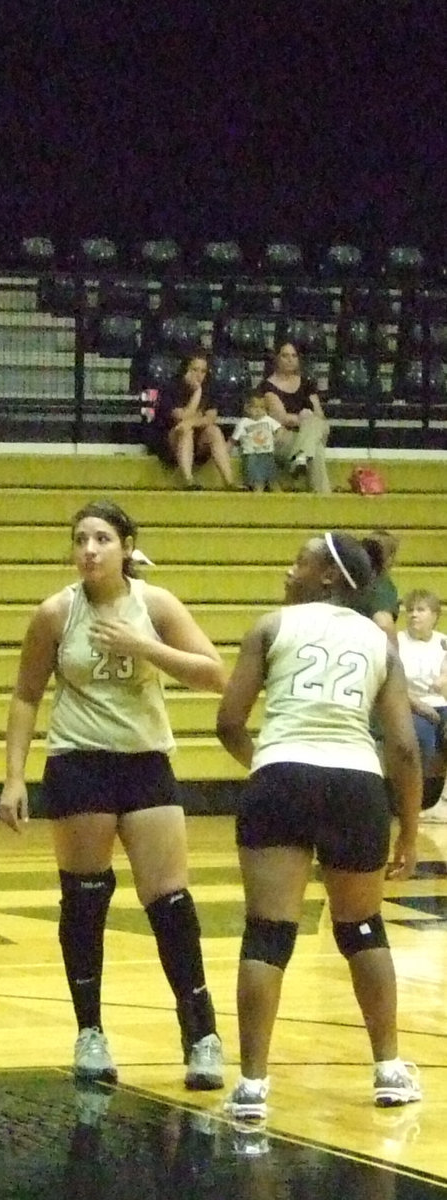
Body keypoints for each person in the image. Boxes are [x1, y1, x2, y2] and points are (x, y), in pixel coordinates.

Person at [0, 499, 228, 1091]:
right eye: (80, 539)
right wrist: (14, 776)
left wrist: (144, 646)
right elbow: (25, 696)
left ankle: (201, 1034)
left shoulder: (156, 604)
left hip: (145, 761)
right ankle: (90, 1032)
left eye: (101, 538)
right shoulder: (56, 613)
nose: (89, 549)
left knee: (170, 900)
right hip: (79, 763)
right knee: (84, 899)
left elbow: (214, 674)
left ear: (126, 546)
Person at [215, 531, 423, 1122]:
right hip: (355, 784)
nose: (289, 570)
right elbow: (404, 748)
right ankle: (388, 1071)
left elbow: (228, 722)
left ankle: (252, 1086)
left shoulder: (270, 626)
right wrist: (410, 832)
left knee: (267, 934)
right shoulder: (380, 642)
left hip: (280, 776)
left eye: (300, 562)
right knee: (362, 929)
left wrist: (268, 762)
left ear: (329, 576)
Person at [146, 352, 238, 490]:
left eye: (203, 371)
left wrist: (191, 423)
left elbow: (210, 418)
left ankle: (229, 482)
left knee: (214, 431)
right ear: (185, 370)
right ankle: (188, 481)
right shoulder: (171, 388)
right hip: (170, 442)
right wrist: (197, 393)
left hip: (197, 442)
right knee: (186, 431)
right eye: (195, 370)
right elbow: (182, 418)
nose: (199, 375)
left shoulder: (209, 388)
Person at [396, 588, 447, 822]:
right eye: (410, 610)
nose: (414, 615)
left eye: (421, 610)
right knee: (422, 738)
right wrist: (419, 706)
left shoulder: (443, 642)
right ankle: (413, 803)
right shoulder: (397, 641)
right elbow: (394, 683)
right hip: (410, 704)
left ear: (435, 615)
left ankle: (444, 801)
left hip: (442, 704)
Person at [260, 341, 331, 494]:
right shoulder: (267, 386)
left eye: (294, 356)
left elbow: (319, 414)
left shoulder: (307, 384)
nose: (290, 359)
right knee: (316, 451)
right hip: (284, 437)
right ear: (277, 359)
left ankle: (301, 456)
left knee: (318, 423)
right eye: (285, 356)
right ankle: (324, 498)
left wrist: (306, 419)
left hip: (308, 432)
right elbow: (282, 418)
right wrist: (303, 418)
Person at [350, 530, 401, 643]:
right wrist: (394, 652)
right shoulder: (381, 584)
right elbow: (384, 624)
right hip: (364, 644)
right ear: (390, 558)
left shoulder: (348, 578)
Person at [227, 392, 283, 492]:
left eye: (262, 408)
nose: (259, 410)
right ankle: (257, 494)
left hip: (267, 454)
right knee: (257, 481)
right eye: (255, 407)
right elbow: (233, 439)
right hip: (251, 455)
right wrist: (227, 451)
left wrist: (277, 438)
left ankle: (279, 496)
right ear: (247, 408)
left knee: (273, 479)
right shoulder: (243, 423)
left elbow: (279, 428)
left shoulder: (268, 420)